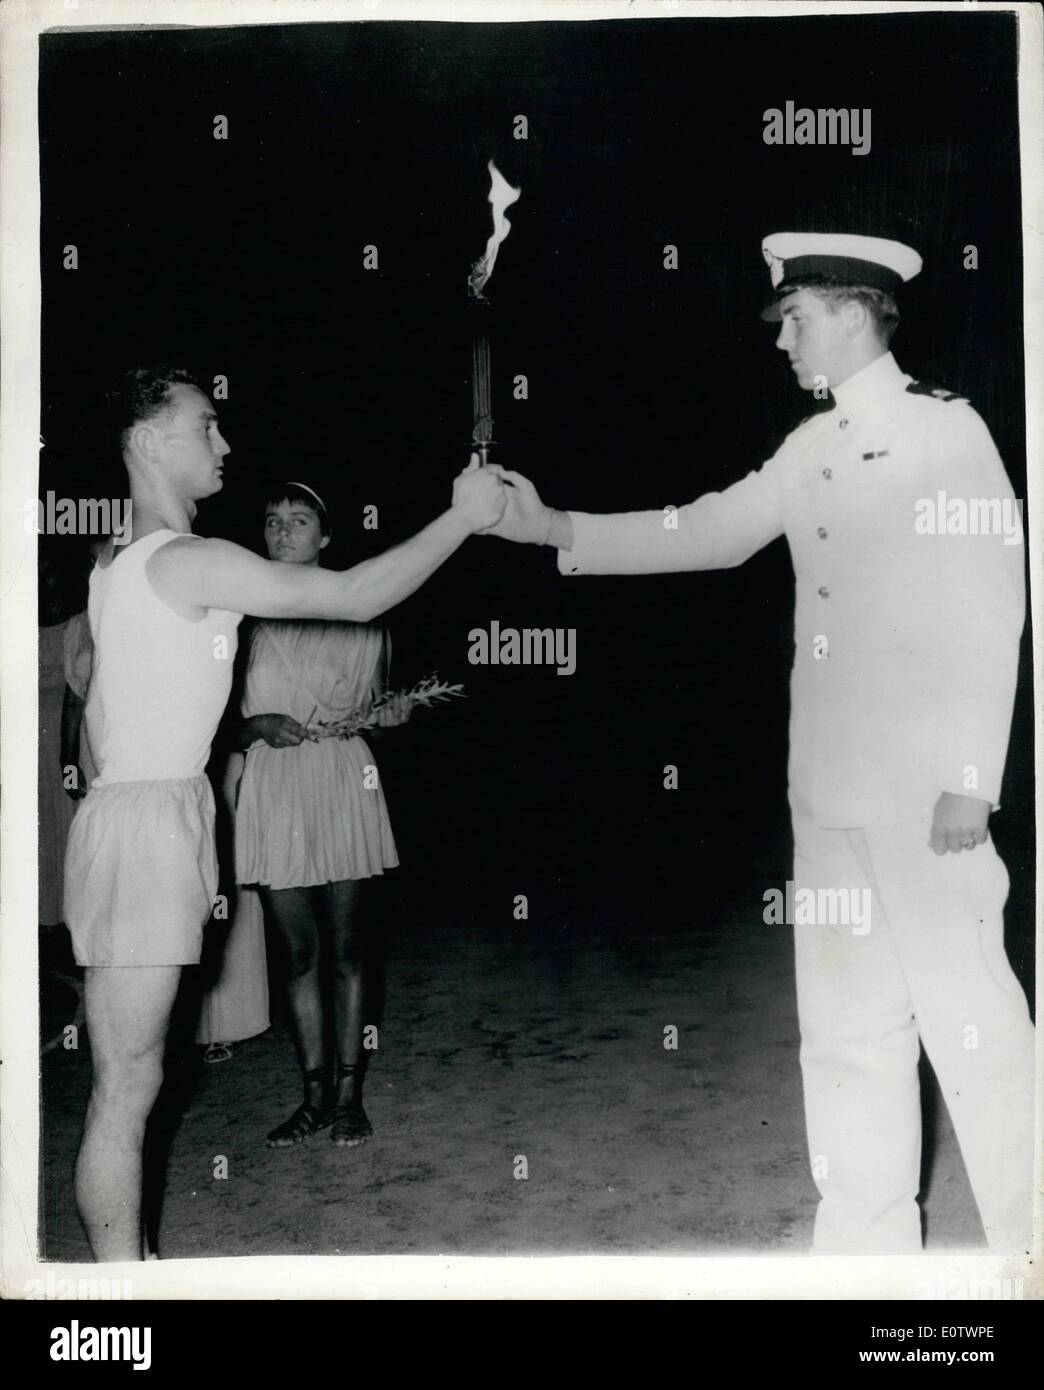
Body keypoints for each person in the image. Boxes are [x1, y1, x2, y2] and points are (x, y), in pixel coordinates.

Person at [485, 232, 1034, 1255]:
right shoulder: (813, 445)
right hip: (828, 788)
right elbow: (711, 528)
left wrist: (972, 776)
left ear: (856, 312)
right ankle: (867, 1253)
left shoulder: (943, 434)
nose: (784, 340)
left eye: (797, 318)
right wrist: (553, 527)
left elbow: (989, 603)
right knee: (845, 1030)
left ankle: (1032, 1239)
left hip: (925, 792)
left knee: (972, 1022)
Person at [63, 366, 505, 1260]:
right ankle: (121, 1290)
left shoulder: (116, 558)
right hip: (147, 824)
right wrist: (461, 517)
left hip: (156, 814)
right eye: (206, 426)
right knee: (127, 1084)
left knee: (131, 1076)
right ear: (150, 442)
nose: (224, 444)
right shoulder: (189, 562)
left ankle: (132, 1265)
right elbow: (354, 595)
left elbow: (105, 717)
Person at [234, 482, 405, 1148]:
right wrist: (254, 724)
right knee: (298, 955)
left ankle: (349, 1096)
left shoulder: (358, 609)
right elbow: (214, 720)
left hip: (341, 775)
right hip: (275, 786)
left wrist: (385, 720)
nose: (281, 532)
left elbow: (383, 715)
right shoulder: (240, 614)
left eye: (298, 521)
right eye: (272, 520)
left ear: (325, 537)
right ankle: (310, 1096)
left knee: (349, 952)